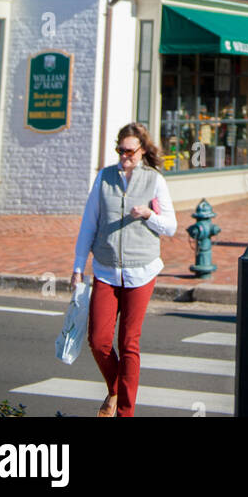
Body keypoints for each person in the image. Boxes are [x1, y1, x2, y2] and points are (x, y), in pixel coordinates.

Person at [72, 122, 177, 417]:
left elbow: (170, 225)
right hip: (105, 268)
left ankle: (125, 413)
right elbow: (89, 223)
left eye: (130, 151)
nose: (124, 156)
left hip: (141, 270)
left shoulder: (154, 180)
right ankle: (116, 390)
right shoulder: (104, 177)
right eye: (120, 150)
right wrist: (79, 265)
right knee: (98, 340)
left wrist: (148, 214)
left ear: (142, 150)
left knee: (129, 342)